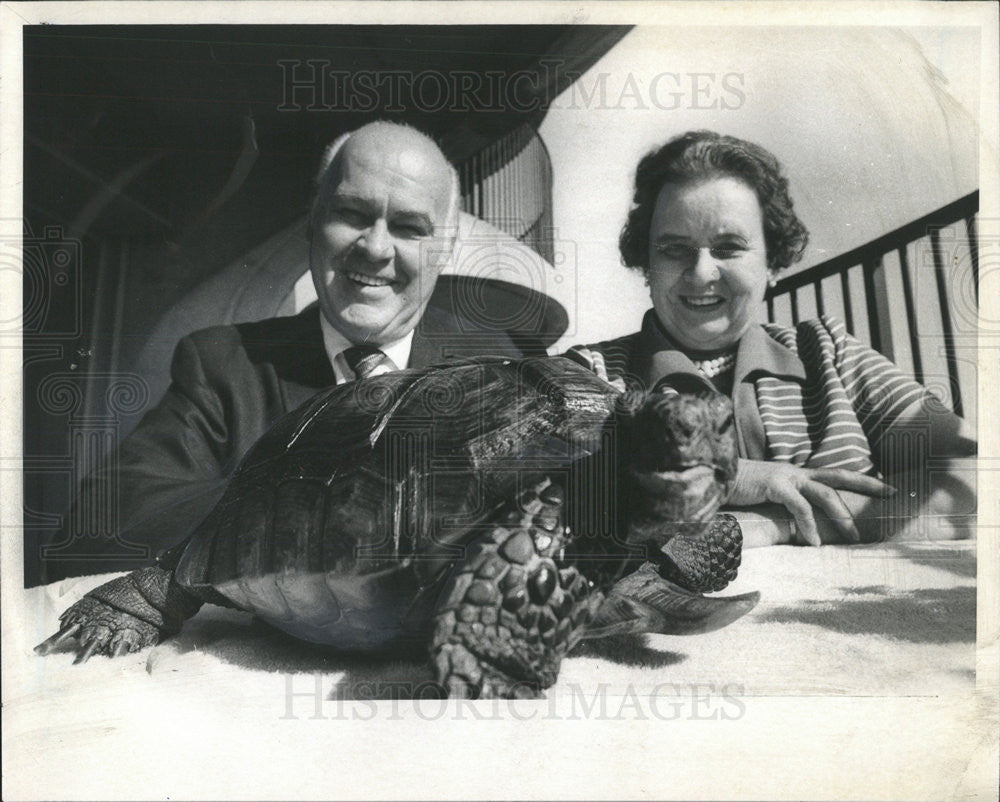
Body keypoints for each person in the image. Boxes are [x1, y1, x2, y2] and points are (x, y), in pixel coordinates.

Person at [43, 121, 526, 580]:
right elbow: (96, 531)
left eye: (409, 227)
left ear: (445, 246)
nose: (375, 249)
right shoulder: (223, 364)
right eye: (352, 214)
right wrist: (305, 501)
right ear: (314, 220)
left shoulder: (494, 366)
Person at [567, 130, 976, 547]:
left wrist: (775, 524)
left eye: (728, 247)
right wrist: (734, 478)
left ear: (773, 263)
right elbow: (536, 498)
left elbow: (977, 476)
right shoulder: (589, 374)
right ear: (646, 261)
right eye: (674, 248)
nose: (701, 272)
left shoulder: (827, 352)